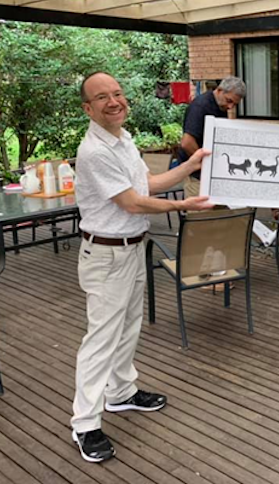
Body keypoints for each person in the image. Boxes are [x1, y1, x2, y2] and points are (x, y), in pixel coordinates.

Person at [71, 72, 214, 463]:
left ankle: (121, 394)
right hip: (106, 255)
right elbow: (132, 203)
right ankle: (85, 423)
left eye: (117, 93)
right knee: (100, 340)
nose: (114, 101)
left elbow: (147, 184)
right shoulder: (94, 151)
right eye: (102, 97)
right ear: (88, 108)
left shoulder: (123, 139)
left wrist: (192, 164)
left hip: (133, 248)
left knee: (128, 327)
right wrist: (182, 206)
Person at [176, 76, 246, 198]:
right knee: (201, 215)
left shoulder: (220, 105)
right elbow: (187, 142)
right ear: (219, 90)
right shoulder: (200, 106)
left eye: (235, 104)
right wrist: (207, 164)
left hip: (213, 175)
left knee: (218, 214)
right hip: (197, 176)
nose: (230, 107)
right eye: (229, 101)